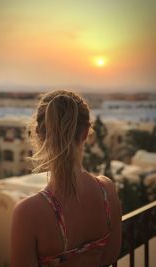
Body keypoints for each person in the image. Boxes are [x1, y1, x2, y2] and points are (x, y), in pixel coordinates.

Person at [11, 90, 122, 267]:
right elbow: (110, 256)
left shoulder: (27, 213)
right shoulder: (107, 191)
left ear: (39, 135)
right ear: (86, 132)